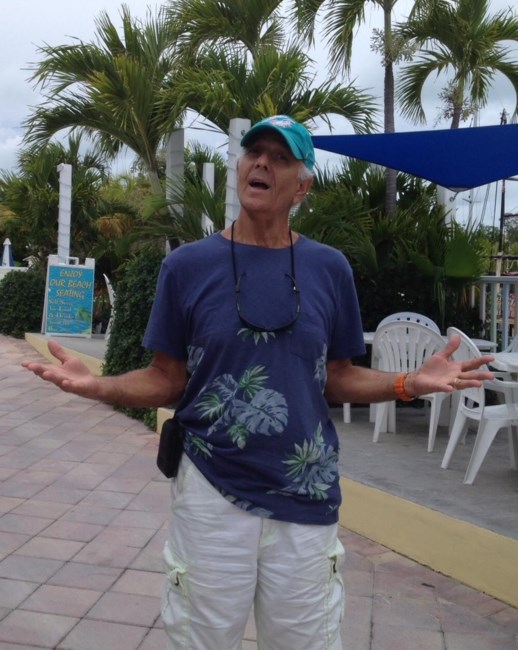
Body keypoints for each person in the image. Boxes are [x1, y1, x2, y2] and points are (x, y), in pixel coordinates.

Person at [23, 115, 495, 650]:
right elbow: (166, 379)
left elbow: (337, 377)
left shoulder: (329, 268)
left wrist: (409, 382)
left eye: (280, 157)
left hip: (305, 495)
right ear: (240, 167)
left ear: (303, 185)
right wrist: (100, 386)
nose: (263, 163)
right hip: (210, 490)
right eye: (254, 152)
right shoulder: (187, 266)